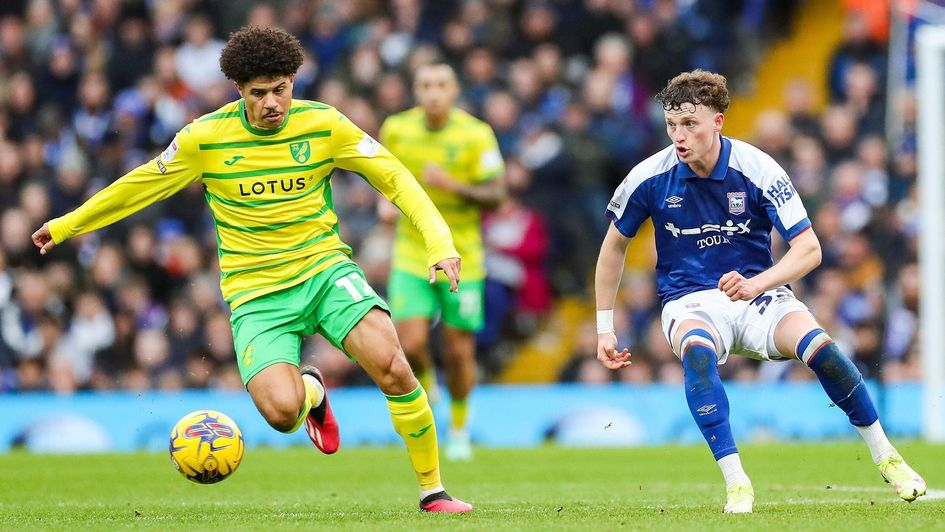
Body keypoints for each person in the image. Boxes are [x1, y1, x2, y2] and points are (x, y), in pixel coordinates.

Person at [31, 26, 472, 513]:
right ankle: (311, 391)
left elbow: (395, 178)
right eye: (258, 93)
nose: (271, 104)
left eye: (280, 89)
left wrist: (440, 243)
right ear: (237, 90)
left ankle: (433, 489)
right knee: (282, 414)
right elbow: (139, 185)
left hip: (324, 270)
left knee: (393, 366)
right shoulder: (205, 137)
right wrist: (68, 225)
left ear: (293, 80)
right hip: (257, 296)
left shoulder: (326, 125)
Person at [594, 70, 926, 513]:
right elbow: (613, 245)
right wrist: (604, 327)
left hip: (759, 295)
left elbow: (809, 249)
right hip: (690, 299)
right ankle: (737, 483)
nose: (679, 136)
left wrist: (757, 284)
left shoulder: (758, 168)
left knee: (822, 348)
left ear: (719, 121)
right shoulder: (649, 177)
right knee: (696, 350)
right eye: (672, 125)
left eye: (690, 124)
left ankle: (887, 456)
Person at [378, 63, 505, 461]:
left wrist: (452, 186)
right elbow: (378, 176)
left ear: (454, 91)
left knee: (458, 350)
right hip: (411, 253)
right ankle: (429, 392)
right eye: (426, 85)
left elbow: (497, 195)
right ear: (416, 91)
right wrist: (384, 203)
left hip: (462, 254)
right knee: (410, 343)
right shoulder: (397, 129)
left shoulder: (475, 134)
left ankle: (460, 427)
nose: (433, 92)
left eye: (441, 85)